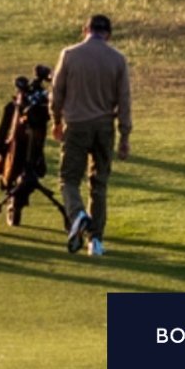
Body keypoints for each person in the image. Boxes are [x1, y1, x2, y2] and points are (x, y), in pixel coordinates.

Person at [50, 14, 132, 257]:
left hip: (76, 125)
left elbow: (56, 93)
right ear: (109, 33)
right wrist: (125, 135)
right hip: (104, 127)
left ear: (84, 29)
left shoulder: (70, 54)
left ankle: (78, 215)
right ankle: (95, 241)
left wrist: (55, 121)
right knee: (99, 184)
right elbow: (124, 100)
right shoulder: (117, 59)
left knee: (69, 180)